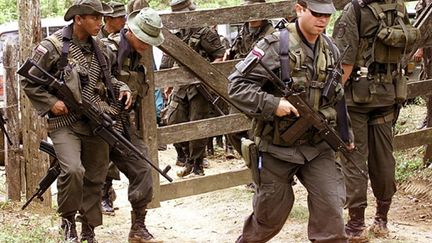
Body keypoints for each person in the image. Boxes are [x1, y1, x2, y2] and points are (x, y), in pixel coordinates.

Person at [228, 0, 349, 242]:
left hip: (318, 147)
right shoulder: (274, 46)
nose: (322, 20)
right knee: (269, 218)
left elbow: (338, 95)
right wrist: (274, 105)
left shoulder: (331, 49)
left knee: (332, 213)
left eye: (327, 15)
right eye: (316, 13)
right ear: (299, 9)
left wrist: (345, 136)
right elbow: (236, 86)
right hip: (276, 148)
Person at [20, 0, 132, 242]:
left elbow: (110, 78)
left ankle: (89, 227)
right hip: (65, 123)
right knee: (73, 170)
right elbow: (28, 81)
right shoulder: (53, 47)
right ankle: (68, 220)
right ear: (78, 19)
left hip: (97, 121)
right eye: (94, 18)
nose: (100, 23)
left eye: (101, 18)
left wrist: (123, 87)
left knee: (96, 175)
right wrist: (51, 103)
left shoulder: (103, 47)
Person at [332, 0, 419, 241]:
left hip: (356, 99)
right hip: (388, 93)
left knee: (354, 159)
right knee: (384, 158)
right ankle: (382, 220)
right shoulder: (399, 7)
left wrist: (332, 98)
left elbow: (344, 61)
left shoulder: (356, 10)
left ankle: (356, 225)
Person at [102, 7, 165, 242]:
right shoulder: (106, 51)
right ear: (129, 31)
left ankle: (138, 227)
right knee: (90, 176)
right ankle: (81, 230)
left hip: (123, 127)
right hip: (98, 125)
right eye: (144, 38)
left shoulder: (137, 56)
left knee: (142, 166)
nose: (148, 44)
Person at [161, 0, 225, 177]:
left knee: (198, 124)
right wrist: (168, 82)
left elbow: (220, 56)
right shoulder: (178, 34)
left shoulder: (205, 32)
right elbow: (170, 60)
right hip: (180, 85)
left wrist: (208, 78)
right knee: (173, 120)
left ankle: (197, 164)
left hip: (199, 88)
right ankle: (188, 157)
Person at [224, 0, 275, 156]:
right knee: (232, 129)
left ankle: (264, 170)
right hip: (243, 85)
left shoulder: (271, 33)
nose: (252, 15)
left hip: (264, 87)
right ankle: (254, 165)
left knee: (259, 133)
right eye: (248, 9)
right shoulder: (243, 31)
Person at [98, 0, 127, 216]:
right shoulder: (95, 41)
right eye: (120, 17)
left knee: (113, 148)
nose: (124, 20)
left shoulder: (121, 39)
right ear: (108, 19)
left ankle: (106, 194)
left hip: (115, 103)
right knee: (101, 152)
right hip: (97, 103)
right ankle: (102, 196)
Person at [414, 0, 432, 130]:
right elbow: (421, 24)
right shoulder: (424, 2)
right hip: (428, 49)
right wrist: (420, 48)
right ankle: (429, 119)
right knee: (427, 82)